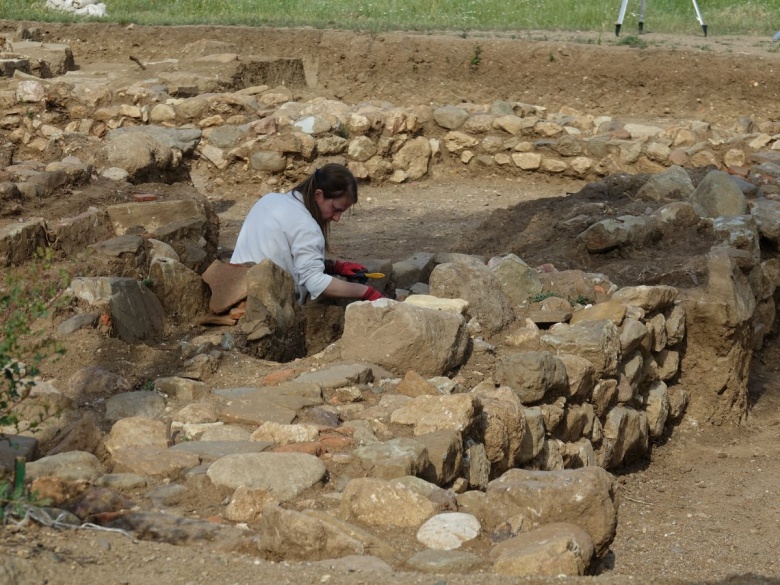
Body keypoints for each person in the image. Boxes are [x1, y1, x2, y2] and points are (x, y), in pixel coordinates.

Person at [230, 163, 384, 304]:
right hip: (263, 305)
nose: (337, 218)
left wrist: (333, 266)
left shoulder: (270, 200)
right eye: (336, 209)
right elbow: (315, 282)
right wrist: (367, 292)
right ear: (318, 195)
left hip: (232, 290)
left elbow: (283, 255)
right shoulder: (307, 226)